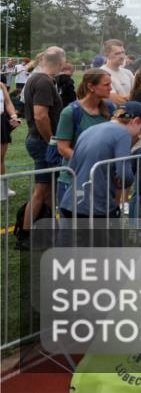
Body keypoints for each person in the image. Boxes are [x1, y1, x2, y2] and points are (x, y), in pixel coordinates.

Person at [59, 101, 141, 219]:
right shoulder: (123, 134)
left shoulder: (89, 130)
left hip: (71, 201)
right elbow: (124, 174)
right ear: (136, 121)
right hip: (97, 205)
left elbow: (72, 167)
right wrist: (126, 180)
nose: (140, 134)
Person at [17, 47, 65, 247]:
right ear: (60, 62)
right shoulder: (43, 80)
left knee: (48, 190)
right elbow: (40, 115)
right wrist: (52, 141)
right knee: (41, 190)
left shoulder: (37, 78)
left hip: (39, 139)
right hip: (41, 141)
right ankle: (25, 235)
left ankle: (44, 230)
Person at [53, 70, 115, 204]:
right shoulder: (71, 112)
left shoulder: (110, 109)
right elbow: (63, 148)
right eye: (106, 84)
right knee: (75, 221)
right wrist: (89, 161)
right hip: (75, 179)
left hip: (101, 179)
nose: (110, 88)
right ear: (91, 87)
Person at [1, 80, 21, 198]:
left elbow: (8, 103)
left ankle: (2, 188)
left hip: (1, 121)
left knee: (1, 158)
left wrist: (14, 116)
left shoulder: (1, 85)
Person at [100, 39, 135, 106]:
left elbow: (139, 93)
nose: (122, 56)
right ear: (107, 55)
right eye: (117, 53)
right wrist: (132, 99)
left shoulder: (128, 73)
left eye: (123, 52)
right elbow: (115, 100)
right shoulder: (101, 73)